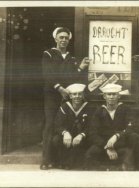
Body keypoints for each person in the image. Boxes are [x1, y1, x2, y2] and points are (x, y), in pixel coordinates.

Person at [41, 27, 91, 170]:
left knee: (63, 126)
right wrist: (59, 88)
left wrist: (80, 68)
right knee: (50, 125)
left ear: (69, 40)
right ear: (55, 38)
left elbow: (72, 78)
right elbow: (47, 74)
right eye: (61, 37)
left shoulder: (71, 58)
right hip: (52, 95)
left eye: (66, 38)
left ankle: (60, 160)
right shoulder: (48, 54)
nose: (63, 40)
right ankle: (46, 160)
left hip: (67, 95)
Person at [85, 84, 139, 170]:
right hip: (103, 145)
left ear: (119, 96)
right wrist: (108, 148)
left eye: (114, 94)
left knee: (130, 150)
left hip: (121, 143)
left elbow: (131, 127)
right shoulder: (99, 111)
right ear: (104, 96)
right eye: (109, 94)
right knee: (90, 154)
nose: (111, 97)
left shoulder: (126, 109)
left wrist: (117, 136)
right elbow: (93, 133)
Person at [51, 83, 94, 169]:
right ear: (70, 96)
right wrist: (65, 133)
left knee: (89, 142)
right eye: (74, 94)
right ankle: (63, 161)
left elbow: (92, 126)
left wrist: (82, 135)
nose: (77, 96)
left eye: (79, 94)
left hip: (82, 137)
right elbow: (57, 124)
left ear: (83, 95)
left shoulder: (89, 107)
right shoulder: (64, 107)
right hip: (68, 136)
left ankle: (77, 162)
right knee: (56, 139)